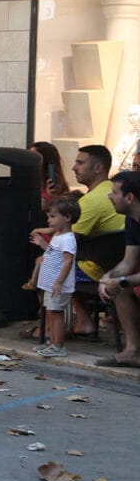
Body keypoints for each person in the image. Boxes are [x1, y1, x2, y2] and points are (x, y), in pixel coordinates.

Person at [64, 144, 126, 338]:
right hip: (119, 264)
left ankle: (79, 322)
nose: (74, 168)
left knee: (47, 265)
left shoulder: (91, 201)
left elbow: (66, 241)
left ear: (98, 168)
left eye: (80, 163)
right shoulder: (113, 193)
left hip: (101, 269)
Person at [98, 170, 140, 368]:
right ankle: (132, 351)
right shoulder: (132, 220)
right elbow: (128, 262)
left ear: (129, 197)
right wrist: (108, 277)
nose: (110, 196)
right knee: (118, 289)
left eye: (114, 192)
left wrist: (122, 280)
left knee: (122, 284)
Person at [29, 197, 79, 359]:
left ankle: (59, 345)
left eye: (53, 217)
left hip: (58, 284)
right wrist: (42, 243)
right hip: (50, 283)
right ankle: (53, 341)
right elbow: (52, 253)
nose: (49, 220)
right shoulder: (59, 236)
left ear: (67, 218)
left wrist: (59, 281)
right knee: (51, 312)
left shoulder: (68, 239)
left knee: (56, 313)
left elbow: (67, 261)